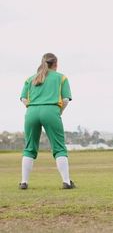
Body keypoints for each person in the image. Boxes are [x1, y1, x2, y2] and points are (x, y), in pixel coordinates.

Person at [19, 53, 75, 189]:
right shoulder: (61, 78)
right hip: (51, 110)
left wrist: (32, 107)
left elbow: (23, 99)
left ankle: (24, 182)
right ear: (55, 64)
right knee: (59, 147)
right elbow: (66, 99)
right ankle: (66, 182)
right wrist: (59, 111)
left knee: (29, 148)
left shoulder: (30, 79)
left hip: (31, 111)